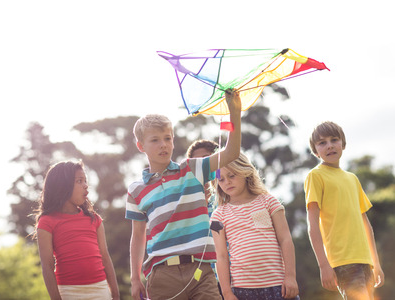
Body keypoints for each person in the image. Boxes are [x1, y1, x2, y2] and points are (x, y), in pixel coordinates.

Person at [126, 89, 242, 300]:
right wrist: (135, 278)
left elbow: (231, 152)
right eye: (155, 140)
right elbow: (138, 236)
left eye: (167, 138)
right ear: (140, 146)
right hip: (161, 276)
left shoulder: (192, 169)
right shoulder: (136, 190)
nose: (163, 144)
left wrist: (234, 113)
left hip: (202, 271)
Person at [304, 121, 384, 299]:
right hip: (342, 261)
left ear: (343, 144)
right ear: (316, 151)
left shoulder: (352, 179)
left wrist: (375, 262)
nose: (330, 145)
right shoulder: (315, 176)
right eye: (322, 142)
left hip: (365, 261)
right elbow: (312, 225)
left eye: (334, 140)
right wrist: (323, 265)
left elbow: (366, 225)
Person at [211, 152, 299, 300]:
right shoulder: (218, 216)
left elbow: (285, 239)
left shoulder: (268, 202)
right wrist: (226, 293)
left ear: (245, 172)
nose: (227, 182)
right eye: (221, 179)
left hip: (278, 286)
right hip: (243, 291)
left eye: (232, 175)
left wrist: (290, 277)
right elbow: (221, 256)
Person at [34, 161, 120, 300]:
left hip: (100, 289)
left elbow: (105, 257)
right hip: (68, 292)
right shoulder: (46, 222)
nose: (86, 185)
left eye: (85, 181)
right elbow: (47, 266)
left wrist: (115, 295)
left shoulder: (94, 219)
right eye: (79, 181)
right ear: (62, 186)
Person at [187, 139, 223, 298]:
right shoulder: (186, 205)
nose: (204, 165)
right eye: (198, 161)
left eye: (208, 159)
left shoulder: (229, 200)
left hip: (233, 278)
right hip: (201, 282)